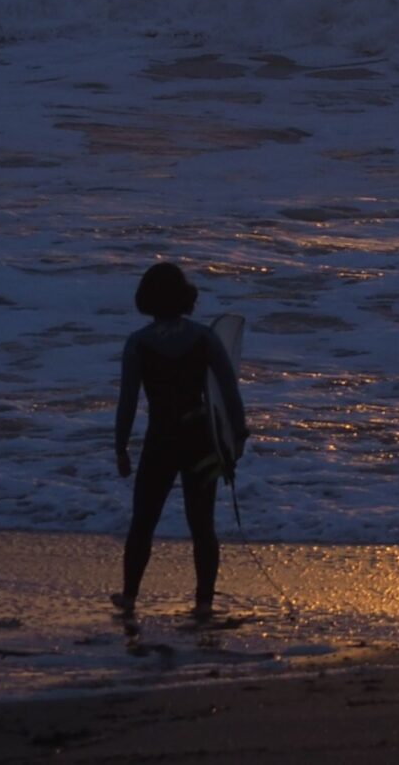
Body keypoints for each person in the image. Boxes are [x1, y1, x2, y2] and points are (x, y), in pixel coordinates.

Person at [110, 261, 247, 620]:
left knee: (143, 520)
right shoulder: (204, 338)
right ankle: (203, 602)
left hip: (160, 441)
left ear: (147, 299)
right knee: (202, 523)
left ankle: (129, 596)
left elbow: (128, 401)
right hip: (200, 441)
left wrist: (121, 447)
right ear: (185, 297)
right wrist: (237, 436)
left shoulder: (138, 343)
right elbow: (229, 392)